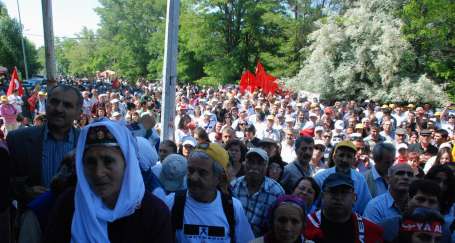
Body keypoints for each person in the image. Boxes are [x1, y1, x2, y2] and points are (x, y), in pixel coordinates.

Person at [43, 119, 173, 242]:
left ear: (127, 164)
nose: (98, 173)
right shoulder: (68, 205)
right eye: (91, 162)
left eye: (108, 161)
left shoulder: (154, 213)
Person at [7, 85, 82, 204]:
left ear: (79, 113)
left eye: (67, 105)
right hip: (32, 218)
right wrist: (24, 191)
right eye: (54, 102)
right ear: (46, 104)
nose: (59, 109)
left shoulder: (88, 142)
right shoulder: (17, 139)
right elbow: (6, 183)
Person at [165, 143, 255, 242]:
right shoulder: (172, 203)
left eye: (202, 173)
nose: (194, 177)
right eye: (191, 170)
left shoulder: (232, 208)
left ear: (219, 178)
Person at [304, 173, 383, 242]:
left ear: (354, 197)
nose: (338, 197)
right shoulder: (304, 225)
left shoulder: (370, 231)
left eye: (344, 192)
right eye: (333, 191)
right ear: (323, 196)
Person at [231, 148, 285, 237]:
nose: (254, 166)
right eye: (251, 162)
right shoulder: (234, 186)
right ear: (244, 163)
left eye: (260, 163)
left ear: (266, 166)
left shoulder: (277, 192)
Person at [313, 140, 372, 214]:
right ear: (334, 157)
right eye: (341, 155)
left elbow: (365, 207)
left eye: (349, 156)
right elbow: (312, 206)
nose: (344, 160)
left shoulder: (360, 179)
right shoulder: (320, 177)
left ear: (354, 160)